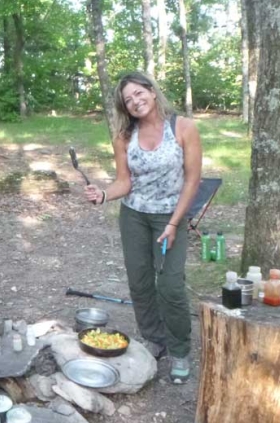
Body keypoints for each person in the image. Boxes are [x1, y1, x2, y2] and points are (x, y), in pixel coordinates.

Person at [83, 72, 203, 384]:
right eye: (128, 100)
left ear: (151, 90)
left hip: (170, 216)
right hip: (134, 216)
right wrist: (104, 195)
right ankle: (154, 338)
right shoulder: (124, 137)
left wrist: (175, 223)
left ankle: (179, 349)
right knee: (140, 282)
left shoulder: (183, 127)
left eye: (139, 93)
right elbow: (124, 182)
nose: (136, 102)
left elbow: (192, 180)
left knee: (170, 285)